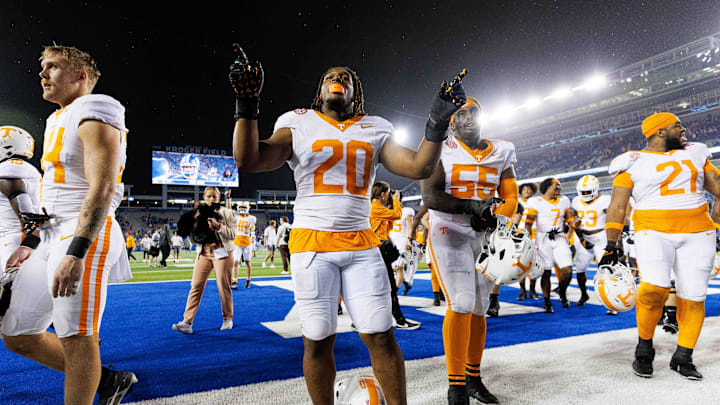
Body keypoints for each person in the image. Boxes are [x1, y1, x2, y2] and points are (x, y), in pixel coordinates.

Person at [230, 43, 459, 404]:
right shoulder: (297, 121)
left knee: (381, 334)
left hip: (361, 245)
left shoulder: (375, 128)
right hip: (311, 245)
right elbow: (250, 159)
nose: (338, 80)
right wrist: (247, 106)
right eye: (330, 77)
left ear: (356, 93)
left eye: (346, 78)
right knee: (318, 339)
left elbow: (420, 167)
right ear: (319, 91)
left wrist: (437, 122)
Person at [2, 45, 136, 405]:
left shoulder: (97, 106)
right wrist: (28, 244)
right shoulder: (57, 117)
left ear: (81, 76)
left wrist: (77, 250)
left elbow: (103, 186)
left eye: (53, 67)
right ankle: (108, 381)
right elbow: (53, 195)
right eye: (42, 67)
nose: (43, 74)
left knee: (77, 336)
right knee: (18, 333)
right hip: (49, 236)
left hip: (81, 232)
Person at [601, 112, 720, 380]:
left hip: (698, 232)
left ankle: (684, 356)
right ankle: (644, 348)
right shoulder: (631, 162)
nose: (684, 129)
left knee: (694, 295)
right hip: (652, 230)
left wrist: (717, 224)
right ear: (660, 132)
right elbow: (618, 205)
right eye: (677, 125)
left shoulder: (697, 152)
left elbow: (718, 188)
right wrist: (611, 243)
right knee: (654, 288)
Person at [421, 96, 518, 405]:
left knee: (479, 307)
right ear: (452, 121)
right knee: (461, 302)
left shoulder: (502, 150)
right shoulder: (441, 150)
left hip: (485, 232)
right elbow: (432, 197)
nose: (468, 117)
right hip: (450, 228)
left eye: (473, 111)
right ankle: (456, 386)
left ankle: (474, 378)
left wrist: (498, 218)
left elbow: (511, 194)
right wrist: (472, 208)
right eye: (461, 113)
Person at [172, 186, 236, 333]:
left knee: (223, 286)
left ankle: (228, 318)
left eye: (214, 196)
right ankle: (187, 322)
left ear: (218, 197)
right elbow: (194, 238)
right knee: (195, 286)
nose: (211, 199)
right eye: (208, 196)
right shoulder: (196, 213)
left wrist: (218, 226)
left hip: (222, 252)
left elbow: (232, 235)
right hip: (204, 252)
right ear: (204, 197)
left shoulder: (226, 212)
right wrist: (192, 226)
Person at [0, 126, 41, 327]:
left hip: (13, 240)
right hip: (23, 238)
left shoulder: (8, 169)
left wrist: (30, 239)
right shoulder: (31, 170)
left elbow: (22, 202)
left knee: (10, 297)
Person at [370, 182, 420, 330]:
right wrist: (396, 200)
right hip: (378, 250)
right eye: (388, 193)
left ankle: (396, 318)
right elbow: (397, 215)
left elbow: (390, 223)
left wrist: (392, 204)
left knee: (383, 286)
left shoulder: (377, 208)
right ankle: (399, 320)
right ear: (383, 194)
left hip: (379, 249)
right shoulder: (375, 207)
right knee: (388, 286)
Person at [524, 178, 575, 313]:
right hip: (543, 238)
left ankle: (562, 291)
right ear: (548, 187)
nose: (559, 187)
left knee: (568, 270)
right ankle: (547, 302)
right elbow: (529, 222)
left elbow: (571, 221)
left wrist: (579, 225)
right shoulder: (536, 202)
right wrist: (529, 240)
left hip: (558, 237)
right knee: (546, 272)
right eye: (556, 185)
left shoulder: (564, 201)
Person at [571, 175, 610, 306]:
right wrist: (578, 234)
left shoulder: (605, 200)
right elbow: (574, 220)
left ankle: (609, 299)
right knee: (580, 269)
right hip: (582, 236)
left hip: (600, 236)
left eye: (587, 192)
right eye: (583, 192)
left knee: (605, 269)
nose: (585, 195)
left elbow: (612, 219)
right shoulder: (576, 201)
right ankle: (583, 294)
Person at [516, 183, 540, 300]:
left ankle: (532, 289)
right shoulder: (517, 203)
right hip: (521, 235)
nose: (526, 192)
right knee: (522, 264)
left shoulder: (537, 202)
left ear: (533, 191)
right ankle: (522, 290)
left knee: (534, 264)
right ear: (520, 191)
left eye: (529, 190)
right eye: (524, 190)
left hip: (535, 235)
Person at [387, 198, 415, 294]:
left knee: (399, 267)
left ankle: (393, 293)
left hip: (402, 243)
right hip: (391, 243)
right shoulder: (388, 212)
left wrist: (409, 241)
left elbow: (411, 228)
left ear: (400, 202)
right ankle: (406, 283)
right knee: (392, 268)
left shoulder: (406, 211)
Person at [229, 197, 256, 288]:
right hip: (237, 242)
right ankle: (235, 281)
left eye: (244, 207)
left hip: (247, 242)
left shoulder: (251, 218)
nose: (242, 209)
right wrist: (228, 199)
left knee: (247, 262)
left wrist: (250, 229)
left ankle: (248, 279)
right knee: (235, 262)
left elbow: (252, 226)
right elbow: (228, 210)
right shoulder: (235, 216)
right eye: (240, 207)